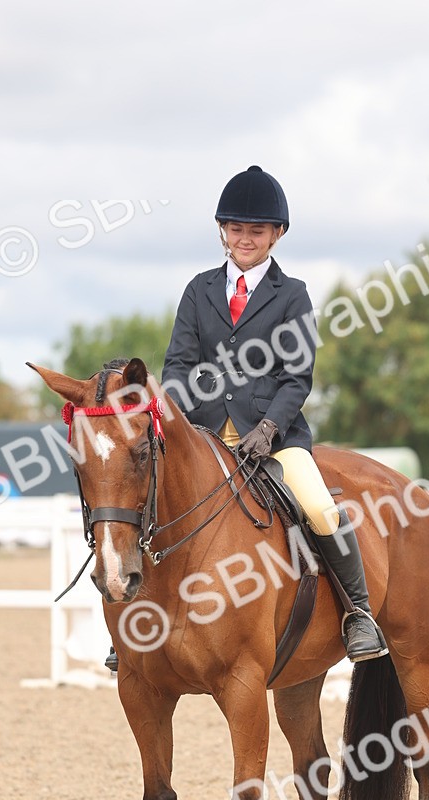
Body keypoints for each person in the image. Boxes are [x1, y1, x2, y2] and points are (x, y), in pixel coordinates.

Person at [160, 164, 387, 663]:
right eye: (236, 229)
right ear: (223, 231)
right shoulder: (199, 290)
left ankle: (357, 613)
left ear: (276, 235)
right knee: (153, 507)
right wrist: (181, 422)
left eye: (256, 231)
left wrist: (268, 428)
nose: (245, 239)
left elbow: (296, 377)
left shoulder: (292, 294)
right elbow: (177, 365)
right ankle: (134, 636)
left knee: (319, 506)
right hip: (203, 435)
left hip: (273, 438)